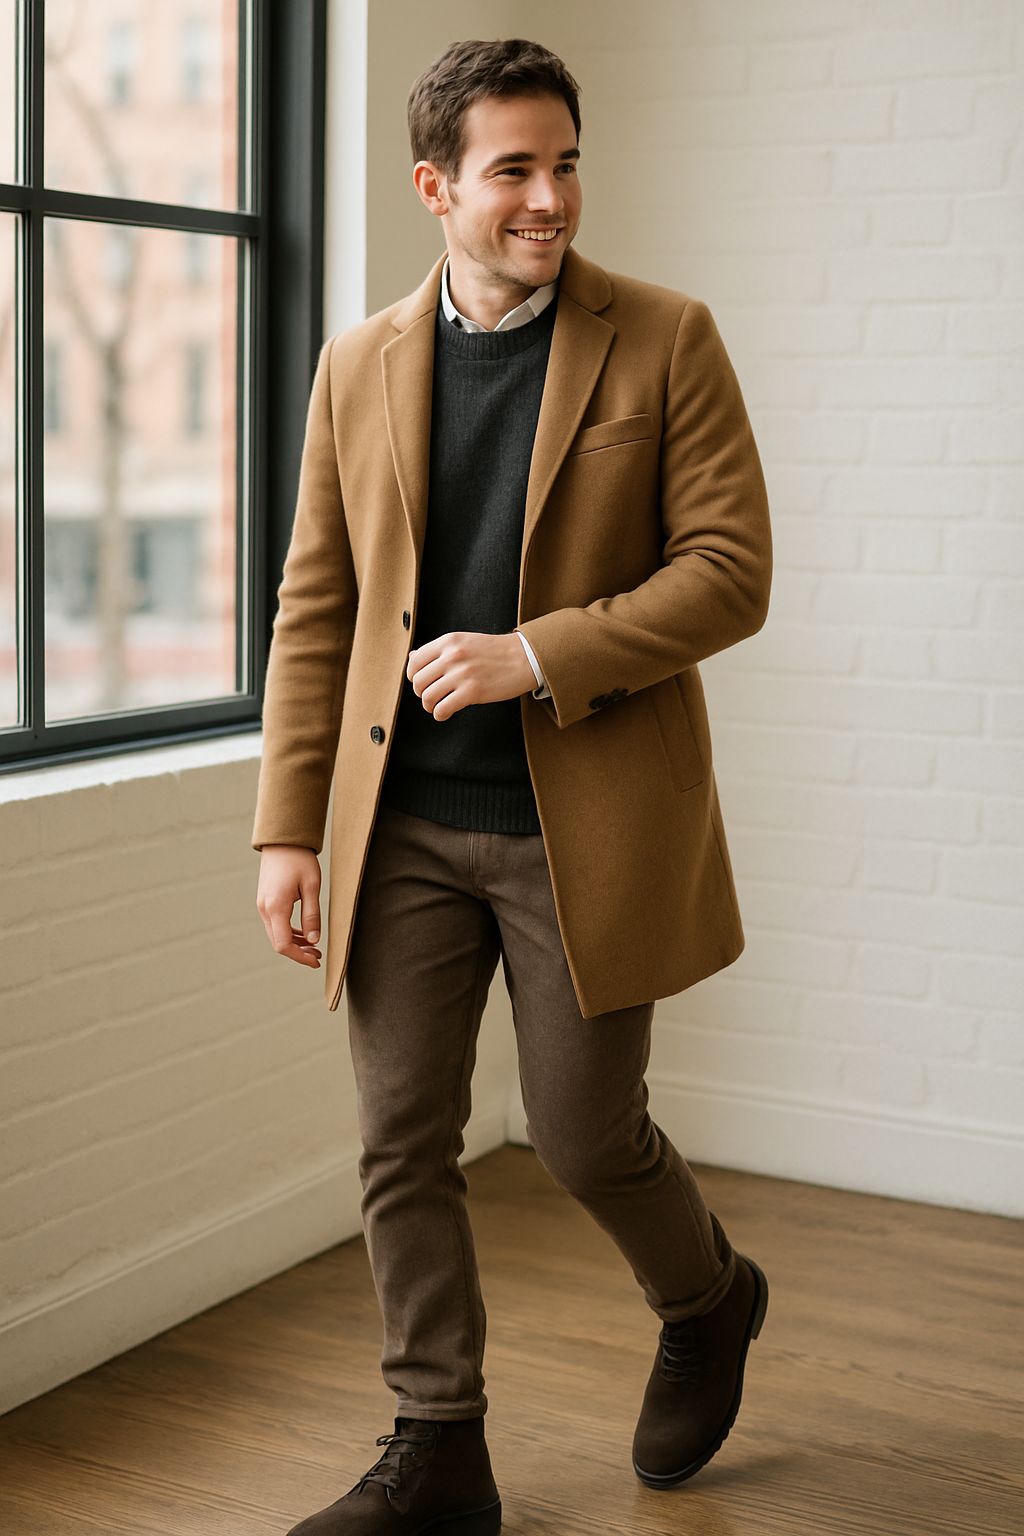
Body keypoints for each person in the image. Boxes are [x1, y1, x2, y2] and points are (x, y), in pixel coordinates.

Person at [254, 37, 772, 1536]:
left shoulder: (665, 337)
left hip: (581, 827)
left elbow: (729, 573)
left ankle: (710, 1298)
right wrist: (288, 828)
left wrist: (535, 654)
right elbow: (318, 608)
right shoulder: (356, 362)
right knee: (399, 1140)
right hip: (401, 828)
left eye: (566, 164)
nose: (551, 197)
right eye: (515, 170)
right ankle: (438, 1446)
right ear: (436, 187)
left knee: (583, 1135)